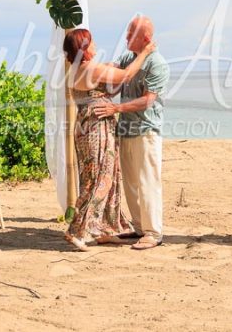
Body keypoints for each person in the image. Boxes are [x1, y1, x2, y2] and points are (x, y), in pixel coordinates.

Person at [62, 28, 157, 252]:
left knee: (105, 174)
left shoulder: (77, 68)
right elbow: (125, 77)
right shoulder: (89, 68)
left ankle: (104, 228)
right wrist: (144, 52)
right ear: (84, 47)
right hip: (96, 127)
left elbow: (105, 85)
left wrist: (112, 68)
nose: (95, 44)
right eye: (92, 42)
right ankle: (76, 231)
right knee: (97, 179)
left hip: (89, 125)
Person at [94, 16, 169, 250]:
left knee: (148, 181)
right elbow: (114, 72)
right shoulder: (129, 58)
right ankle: (138, 227)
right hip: (126, 130)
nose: (125, 37)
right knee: (131, 183)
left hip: (146, 131)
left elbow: (148, 101)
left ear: (145, 39)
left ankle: (153, 232)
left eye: (130, 34)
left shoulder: (157, 64)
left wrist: (116, 108)